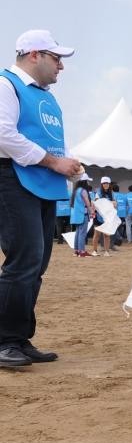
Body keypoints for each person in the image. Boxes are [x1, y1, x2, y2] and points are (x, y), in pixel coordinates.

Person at [0, 29, 82, 368]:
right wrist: (53, 162)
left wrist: (68, 165)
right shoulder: (6, 85)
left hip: (42, 183)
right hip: (14, 179)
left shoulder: (46, 97)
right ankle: (5, 341)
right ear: (35, 55)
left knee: (37, 264)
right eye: (56, 58)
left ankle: (19, 337)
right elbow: (4, 134)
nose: (61, 66)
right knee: (24, 261)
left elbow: (49, 142)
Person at [91, 176, 115, 256]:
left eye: (107, 183)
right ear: (102, 184)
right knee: (97, 234)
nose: (106, 185)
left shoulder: (112, 193)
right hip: (99, 216)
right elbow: (97, 203)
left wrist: (109, 203)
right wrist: (109, 203)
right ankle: (94, 251)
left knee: (107, 235)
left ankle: (106, 251)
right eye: (104, 183)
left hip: (107, 217)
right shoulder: (98, 192)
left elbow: (115, 204)